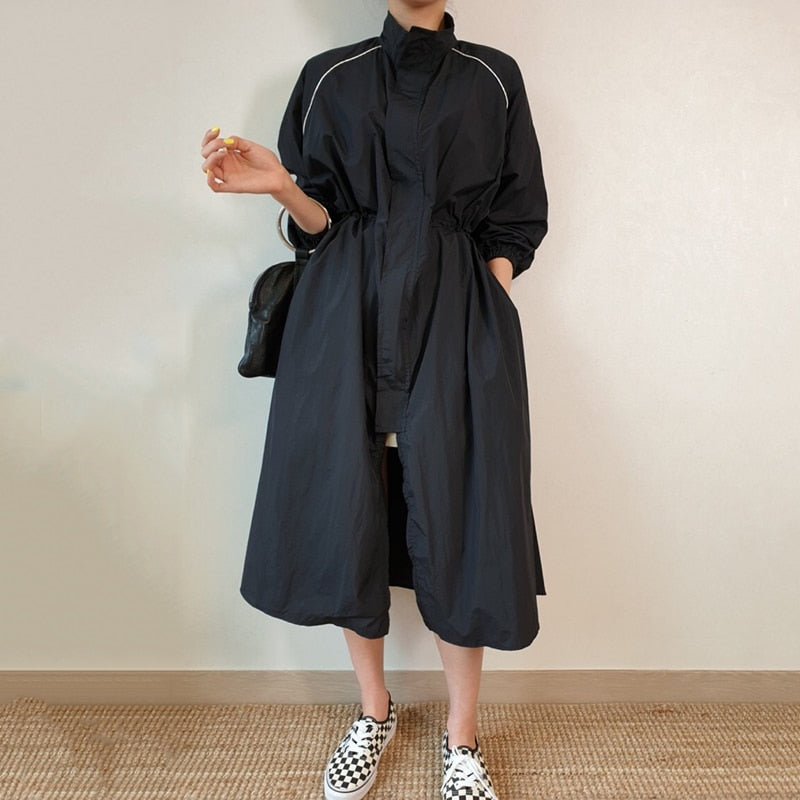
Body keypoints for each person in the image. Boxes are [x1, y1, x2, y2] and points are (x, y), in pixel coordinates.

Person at [200, 1, 547, 797]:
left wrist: (486, 301)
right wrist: (281, 185)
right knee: (347, 504)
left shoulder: (494, 77)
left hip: (457, 321)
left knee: (465, 512)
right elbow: (320, 226)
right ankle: (373, 711)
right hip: (342, 321)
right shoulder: (330, 77)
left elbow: (517, 214)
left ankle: (462, 738)